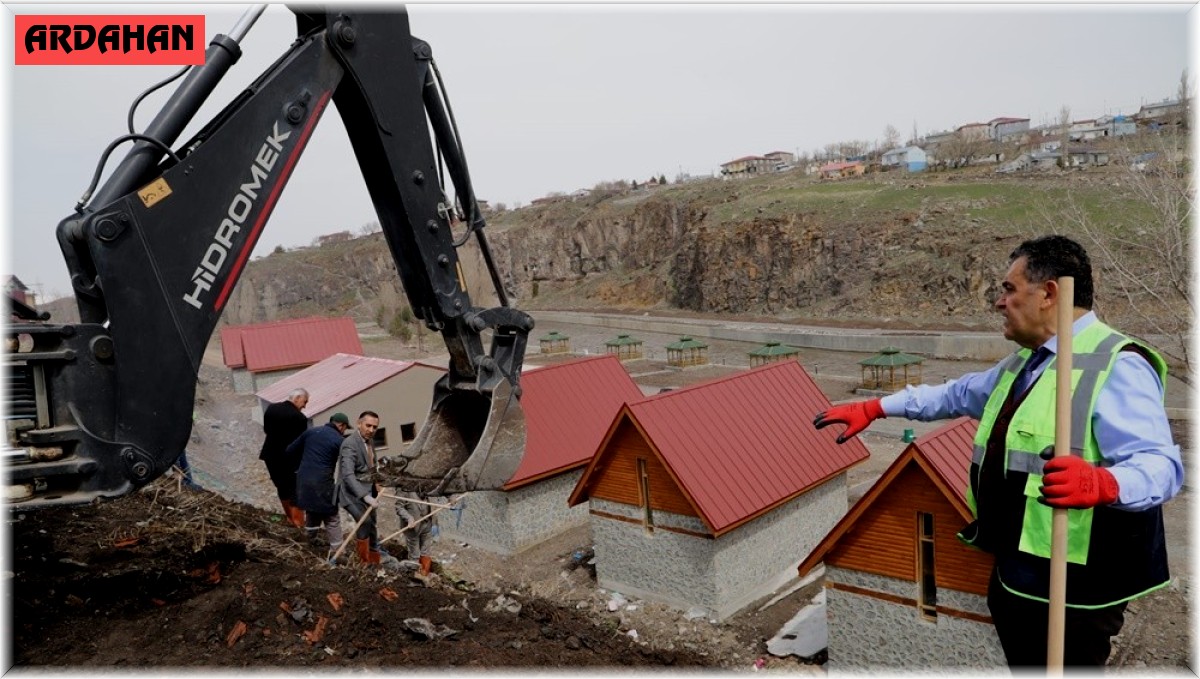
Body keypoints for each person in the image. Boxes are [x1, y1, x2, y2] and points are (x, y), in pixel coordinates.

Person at [813, 235, 1182, 668]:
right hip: (1018, 572)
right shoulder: (1027, 363)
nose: (999, 302)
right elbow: (955, 395)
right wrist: (877, 407)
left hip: (1075, 589)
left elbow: (1162, 467)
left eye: (1009, 289)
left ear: (1049, 294)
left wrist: (1106, 483)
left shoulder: (1116, 364)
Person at [337, 410, 399, 569]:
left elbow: (372, 466)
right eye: (368, 425)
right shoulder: (350, 444)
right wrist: (365, 496)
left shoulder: (370, 441)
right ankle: (363, 562)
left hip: (368, 489)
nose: (371, 430)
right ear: (359, 423)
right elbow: (348, 475)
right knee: (365, 522)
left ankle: (374, 555)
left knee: (372, 523)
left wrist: (378, 483)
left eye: (374, 427)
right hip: (350, 493)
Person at [288, 412, 350, 563]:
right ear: (341, 426)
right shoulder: (339, 440)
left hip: (303, 478)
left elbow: (290, 450)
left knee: (312, 508)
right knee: (331, 516)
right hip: (322, 481)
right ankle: (338, 552)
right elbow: (348, 464)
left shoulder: (310, 432)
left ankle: (311, 539)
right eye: (345, 428)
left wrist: (304, 465)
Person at [260, 388, 309, 528]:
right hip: (289, 459)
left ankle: (289, 518)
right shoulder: (299, 418)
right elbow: (300, 443)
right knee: (295, 489)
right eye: (305, 402)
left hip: (270, 455)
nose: (304, 406)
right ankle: (298, 523)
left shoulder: (271, 408)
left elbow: (266, 430)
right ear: (297, 398)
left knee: (281, 487)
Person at [396, 490, 436, 582]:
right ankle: (414, 577)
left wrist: (451, 498)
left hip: (427, 524)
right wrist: (409, 518)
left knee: (426, 551)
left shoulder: (428, 487)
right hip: (412, 528)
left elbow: (443, 489)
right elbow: (398, 507)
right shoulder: (404, 489)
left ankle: (424, 574)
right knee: (414, 554)